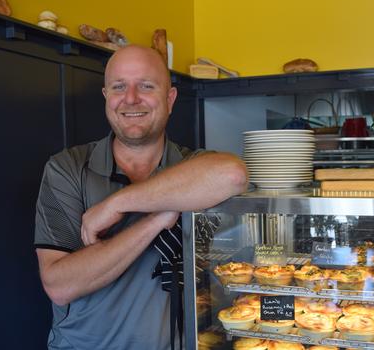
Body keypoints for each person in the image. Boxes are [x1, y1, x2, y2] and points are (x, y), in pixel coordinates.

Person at [34, 45, 248, 349]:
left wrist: (117, 203)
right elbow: (59, 285)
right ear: (106, 96)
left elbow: (233, 174)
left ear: (170, 99)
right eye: (119, 86)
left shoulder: (191, 165)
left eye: (146, 86)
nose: (131, 98)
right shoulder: (68, 168)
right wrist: (157, 218)